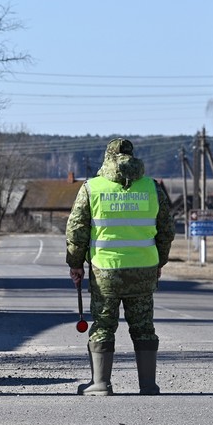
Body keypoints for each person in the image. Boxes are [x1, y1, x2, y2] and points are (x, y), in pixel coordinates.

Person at [66, 138, 175, 396]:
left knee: (103, 325)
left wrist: (75, 264)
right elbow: (167, 230)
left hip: (105, 271)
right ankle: (148, 385)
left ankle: (101, 384)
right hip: (144, 268)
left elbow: (77, 229)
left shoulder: (92, 188)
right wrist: (160, 260)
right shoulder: (152, 187)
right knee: (144, 326)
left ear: (108, 158)